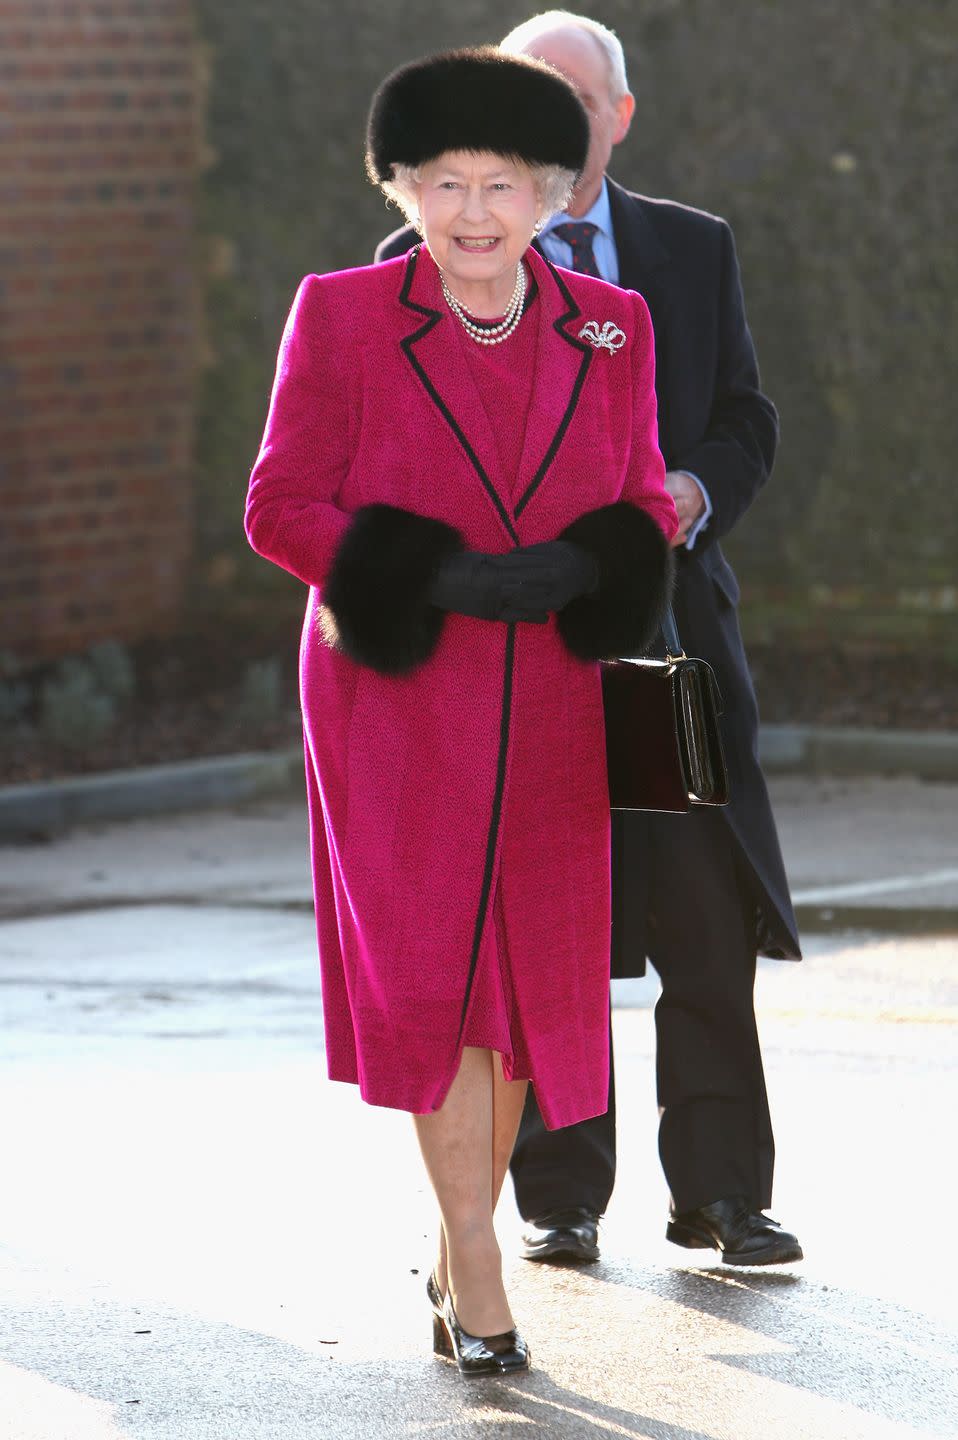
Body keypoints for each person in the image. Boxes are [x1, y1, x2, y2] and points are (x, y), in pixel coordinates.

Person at [246, 47, 677, 1376]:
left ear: (555, 194)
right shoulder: (341, 312)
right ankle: (478, 1266)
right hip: (396, 702)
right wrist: (421, 569)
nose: (474, 214)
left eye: (502, 186)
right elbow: (278, 505)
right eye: (445, 184)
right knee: (434, 970)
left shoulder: (614, 322)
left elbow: (650, 496)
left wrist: (597, 558)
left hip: (550, 694)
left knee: (519, 989)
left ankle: (456, 1235)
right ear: (403, 186)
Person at [376, 12, 804, 1269]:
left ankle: (723, 1194)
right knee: (543, 928)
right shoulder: (422, 256)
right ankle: (559, 1196)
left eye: (577, 95)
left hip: (666, 652)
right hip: (508, 663)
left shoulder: (691, 248)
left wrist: (693, 487)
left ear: (618, 116)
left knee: (704, 929)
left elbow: (746, 416)